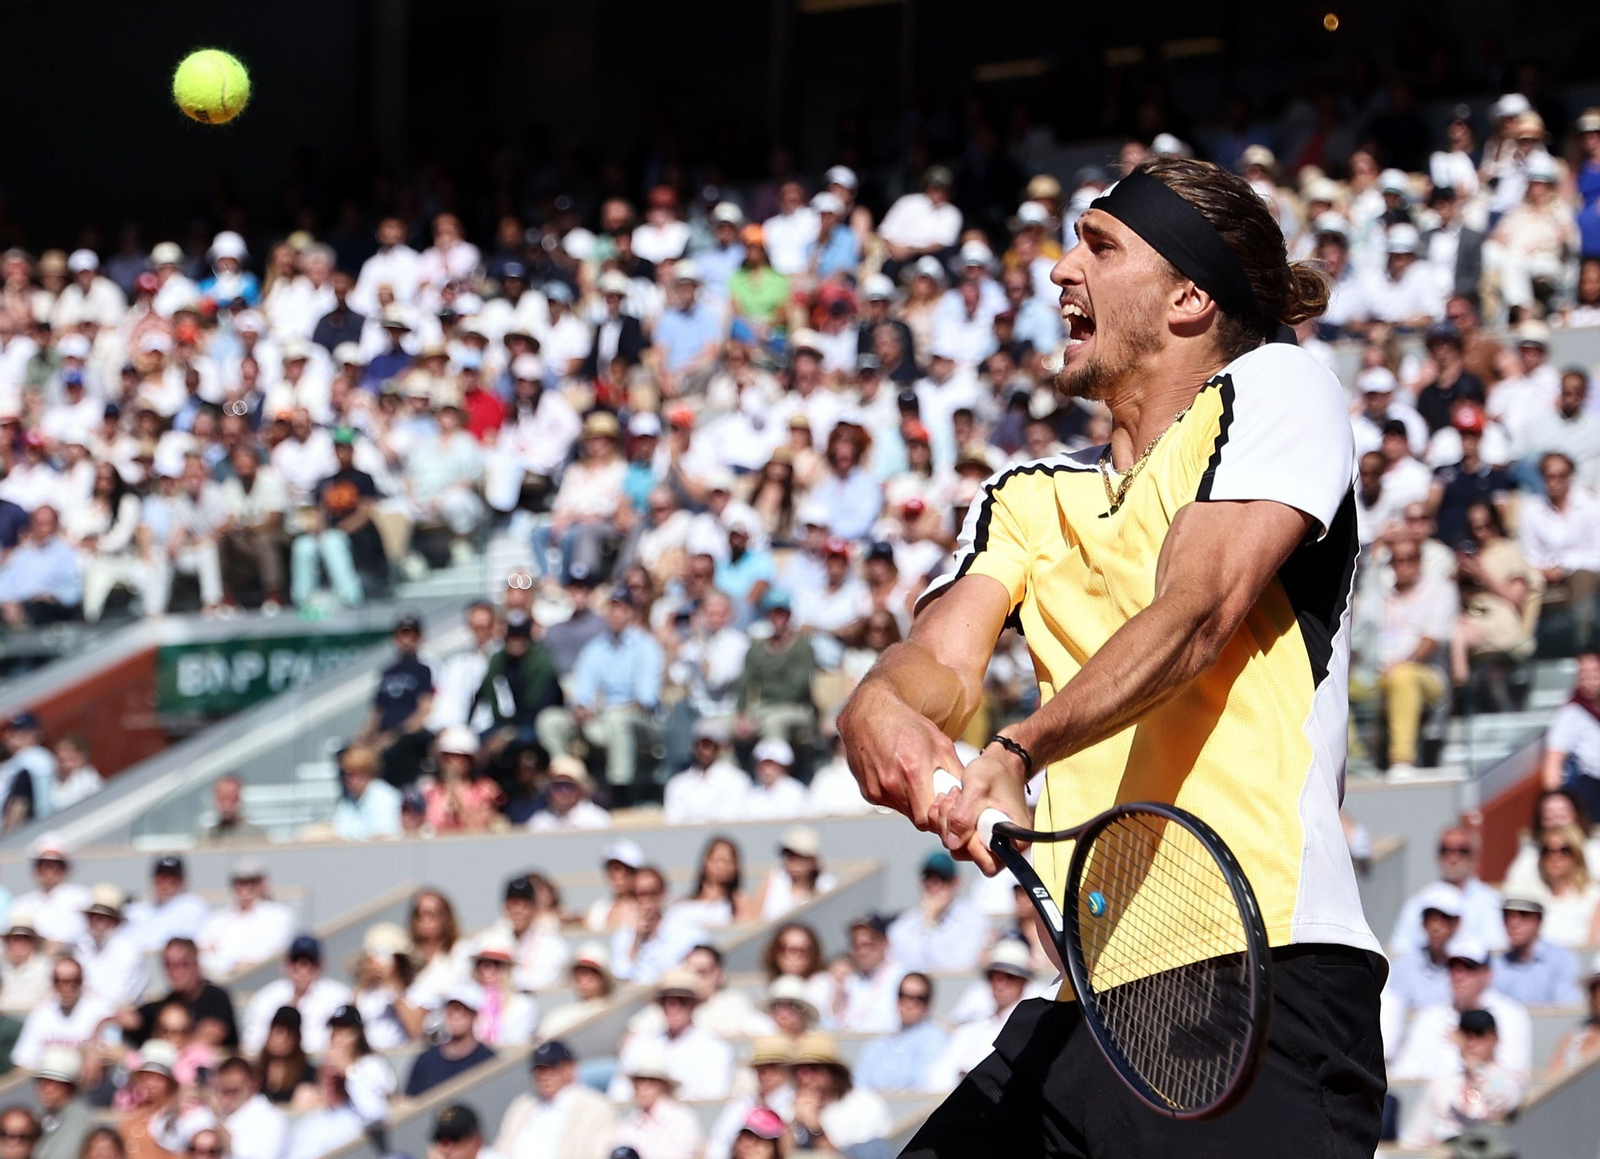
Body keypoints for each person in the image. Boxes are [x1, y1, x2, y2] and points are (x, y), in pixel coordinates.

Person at [840, 157, 1384, 1157]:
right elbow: (940, 662)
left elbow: (1196, 611)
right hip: (1088, 1002)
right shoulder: (1025, 496)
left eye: (1098, 245)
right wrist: (881, 704)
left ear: (1189, 297)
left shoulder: (1279, 385)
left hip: (1259, 973)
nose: (1059, 269)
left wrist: (1017, 749)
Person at [536, 587, 662, 804]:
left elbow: (646, 701)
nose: (615, 615)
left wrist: (605, 711)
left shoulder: (645, 646)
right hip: (597, 718)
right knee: (549, 720)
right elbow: (582, 690)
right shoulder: (595, 648)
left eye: (621, 609)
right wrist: (581, 708)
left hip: (638, 720)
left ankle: (619, 793)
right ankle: (565, 779)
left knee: (616, 720)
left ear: (631, 613)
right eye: (611, 609)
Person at [1391, 936, 1531, 1082]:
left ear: (1487, 974)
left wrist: (1468, 1056)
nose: (1459, 976)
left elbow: (1513, 1080)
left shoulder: (1510, 1015)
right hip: (1435, 1094)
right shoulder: (1430, 1017)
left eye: (1469, 968)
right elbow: (1405, 1074)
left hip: (1488, 1094)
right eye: (1453, 967)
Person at [1399, 1008, 1526, 1150]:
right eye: (1466, 1035)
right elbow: (1414, 1140)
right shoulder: (1442, 1085)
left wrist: (1477, 1070)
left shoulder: (1509, 1078)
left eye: (1480, 1035)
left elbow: (1502, 1104)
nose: (1471, 1043)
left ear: (1494, 1038)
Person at [926, 940, 1038, 1091]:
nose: (1000, 984)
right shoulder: (971, 1029)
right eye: (994, 976)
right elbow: (940, 1077)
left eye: (1009, 977)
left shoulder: (1032, 1029)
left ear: (1023, 982)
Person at [610, 969, 734, 1101]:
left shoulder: (714, 1048)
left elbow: (714, 1096)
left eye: (682, 1001)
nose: (673, 1007)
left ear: (694, 1004)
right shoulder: (640, 1044)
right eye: (666, 1001)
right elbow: (619, 1092)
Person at [1391, 828, 1507, 954]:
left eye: (1462, 851)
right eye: (1445, 850)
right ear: (1437, 856)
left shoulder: (1491, 901)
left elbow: (1497, 949)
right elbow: (1400, 950)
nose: (1453, 858)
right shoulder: (1419, 902)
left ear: (1474, 857)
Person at [495, 1039, 617, 1159]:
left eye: (552, 1067)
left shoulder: (594, 1107)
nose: (544, 1075)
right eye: (539, 1069)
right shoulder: (523, 1106)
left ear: (570, 1068)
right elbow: (502, 1149)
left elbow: (600, 1152)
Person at [1379, 883, 1462, 1050]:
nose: (1435, 927)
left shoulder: (1469, 965)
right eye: (1430, 919)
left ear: (1456, 924)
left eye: (1444, 919)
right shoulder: (1404, 966)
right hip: (1412, 1048)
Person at [358, 613, 435, 787]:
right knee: (346, 753)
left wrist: (396, 734)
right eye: (402, 634)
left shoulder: (424, 670)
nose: (406, 640)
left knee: (394, 751)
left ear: (419, 638)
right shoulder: (387, 672)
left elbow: (424, 710)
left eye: (411, 635)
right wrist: (363, 735)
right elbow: (377, 712)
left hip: (406, 735)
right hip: (383, 734)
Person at [242, 937, 353, 1057]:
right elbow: (252, 1043)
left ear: (321, 966)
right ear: (286, 965)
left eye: (310, 963)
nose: (303, 969)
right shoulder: (266, 998)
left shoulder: (339, 997)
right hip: (278, 1061)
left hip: (322, 1061)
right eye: (297, 962)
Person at [789, 1032, 893, 1156]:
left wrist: (815, 1129)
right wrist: (793, 1123)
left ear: (833, 1073)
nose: (804, 1077)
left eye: (813, 1068)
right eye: (798, 1070)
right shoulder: (790, 1105)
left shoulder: (864, 1104)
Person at [125, 937, 238, 1050]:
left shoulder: (216, 998)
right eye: (169, 965)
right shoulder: (168, 1003)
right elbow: (133, 1019)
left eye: (183, 964)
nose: (175, 972)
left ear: (196, 963)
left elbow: (207, 1039)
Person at [886, 852, 989, 974]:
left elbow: (960, 966)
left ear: (956, 882)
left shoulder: (973, 919)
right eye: (928, 879)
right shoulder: (904, 924)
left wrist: (931, 925)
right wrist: (928, 922)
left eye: (942, 879)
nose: (934, 886)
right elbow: (903, 967)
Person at [197, 859, 295, 979]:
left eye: (252, 882)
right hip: (217, 980)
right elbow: (200, 955)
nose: (245, 888)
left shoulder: (279, 916)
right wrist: (230, 964)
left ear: (262, 885)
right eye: (240, 883)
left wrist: (221, 955)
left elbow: (273, 955)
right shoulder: (217, 919)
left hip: (260, 980)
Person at [12, 957, 109, 1073]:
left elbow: (114, 1053)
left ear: (81, 982)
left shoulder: (100, 1012)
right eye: (59, 981)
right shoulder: (40, 1014)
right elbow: (25, 1062)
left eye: (73, 981)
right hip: (47, 1079)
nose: (66, 988)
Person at [611, 1040, 703, 1159]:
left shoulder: (682, 1119)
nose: (642, 1088)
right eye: (638, 1082)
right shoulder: (629, 1123)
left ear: (664, 1086)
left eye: (650, 1082)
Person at [403, 985, 495, 1097]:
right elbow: (410, 1099)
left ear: (474, 1015)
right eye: (452, 1010)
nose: (456, 1016)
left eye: (463, 1011)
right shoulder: (427, 1060)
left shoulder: (487, 1060)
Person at [1491, 896, 1582, 1006]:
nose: (1513, 923)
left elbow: (1566, 1008)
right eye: (1507, 916)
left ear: (1539, 920)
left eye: (1524, 915)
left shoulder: (1562, 960)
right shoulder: (1495, 965)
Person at [1542, 652, 1600, 821]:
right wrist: (1555, 801)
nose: (1590, 679)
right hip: (1592, 788)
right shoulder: (1571, 713)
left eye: (1595, 672)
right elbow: (1554, 760)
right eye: (1584, 673)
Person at [1527, 822, 1600, 947]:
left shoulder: (1593, 896)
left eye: (1564, 850)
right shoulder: (1531, 896)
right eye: (1547, 850)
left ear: (1577, 855)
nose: (1555, 857)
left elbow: (1593, 946)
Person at [662, 726, 751, 826]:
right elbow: (673, 820)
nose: (703, 750)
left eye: (708, 745)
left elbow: (733, 817)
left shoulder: (737, 779)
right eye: (698, 745)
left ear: (720, 747)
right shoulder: (677, 784)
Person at [122, 857, 210, 956]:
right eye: (160, 879)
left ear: (182, 881)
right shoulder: (140, 908)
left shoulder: (192, 906)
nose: (165, 885)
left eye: (171, 880)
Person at [15, 837, 90, 948]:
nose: (49, 871)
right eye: (43, 865)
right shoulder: (22, 904)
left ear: (65, 869)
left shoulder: (83, 899)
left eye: (55, 865)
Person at [209, 1055, 288, 1159]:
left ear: (252, 1084)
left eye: (233, 1091)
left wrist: (218, 1119)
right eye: (224, 1091)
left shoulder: (272, 1118)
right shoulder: (207, 1112)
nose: (226, 1099)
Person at [751, 828, 835, 922]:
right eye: (789, 856)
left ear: (813, 860)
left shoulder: (826, 884)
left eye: (800, 857)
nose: (793, 863)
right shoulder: (774, 878)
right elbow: (755, 917)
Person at [283, 1066, 365, 1159]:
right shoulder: (310, 1122)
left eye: (336, 1082)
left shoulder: (358, 1118)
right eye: (326, 1082)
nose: (331, 1087)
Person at [329, 745, 402, 842]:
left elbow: (383, 836)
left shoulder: (383, 797)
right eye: (347, 774)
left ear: (369, 773)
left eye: (356, 774)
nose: (349, 779)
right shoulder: (349, 799)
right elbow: (338, 830)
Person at [33, 1047, 92, 1159]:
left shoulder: (79, 1120)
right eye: (43, 1083)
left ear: (71, 1089)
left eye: (56, 1085)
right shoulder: (37, 1115)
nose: (48, 1090)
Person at [527, 757, 611, 831]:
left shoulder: (599, 821)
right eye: (557, 786)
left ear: (581, 789)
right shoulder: (539, 822)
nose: (564, 791)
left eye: (569, 785)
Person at [741, 739, 808, 820]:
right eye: (762, 765)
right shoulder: (753, 793)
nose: (766, 770)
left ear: (783, 766)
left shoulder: (795, 791)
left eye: (771, 765)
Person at [201, 775, 265, 845]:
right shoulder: (205, 836)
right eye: (222, 799)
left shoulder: (256, 834)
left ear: (239, 798)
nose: (226, 805)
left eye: (231, 799)